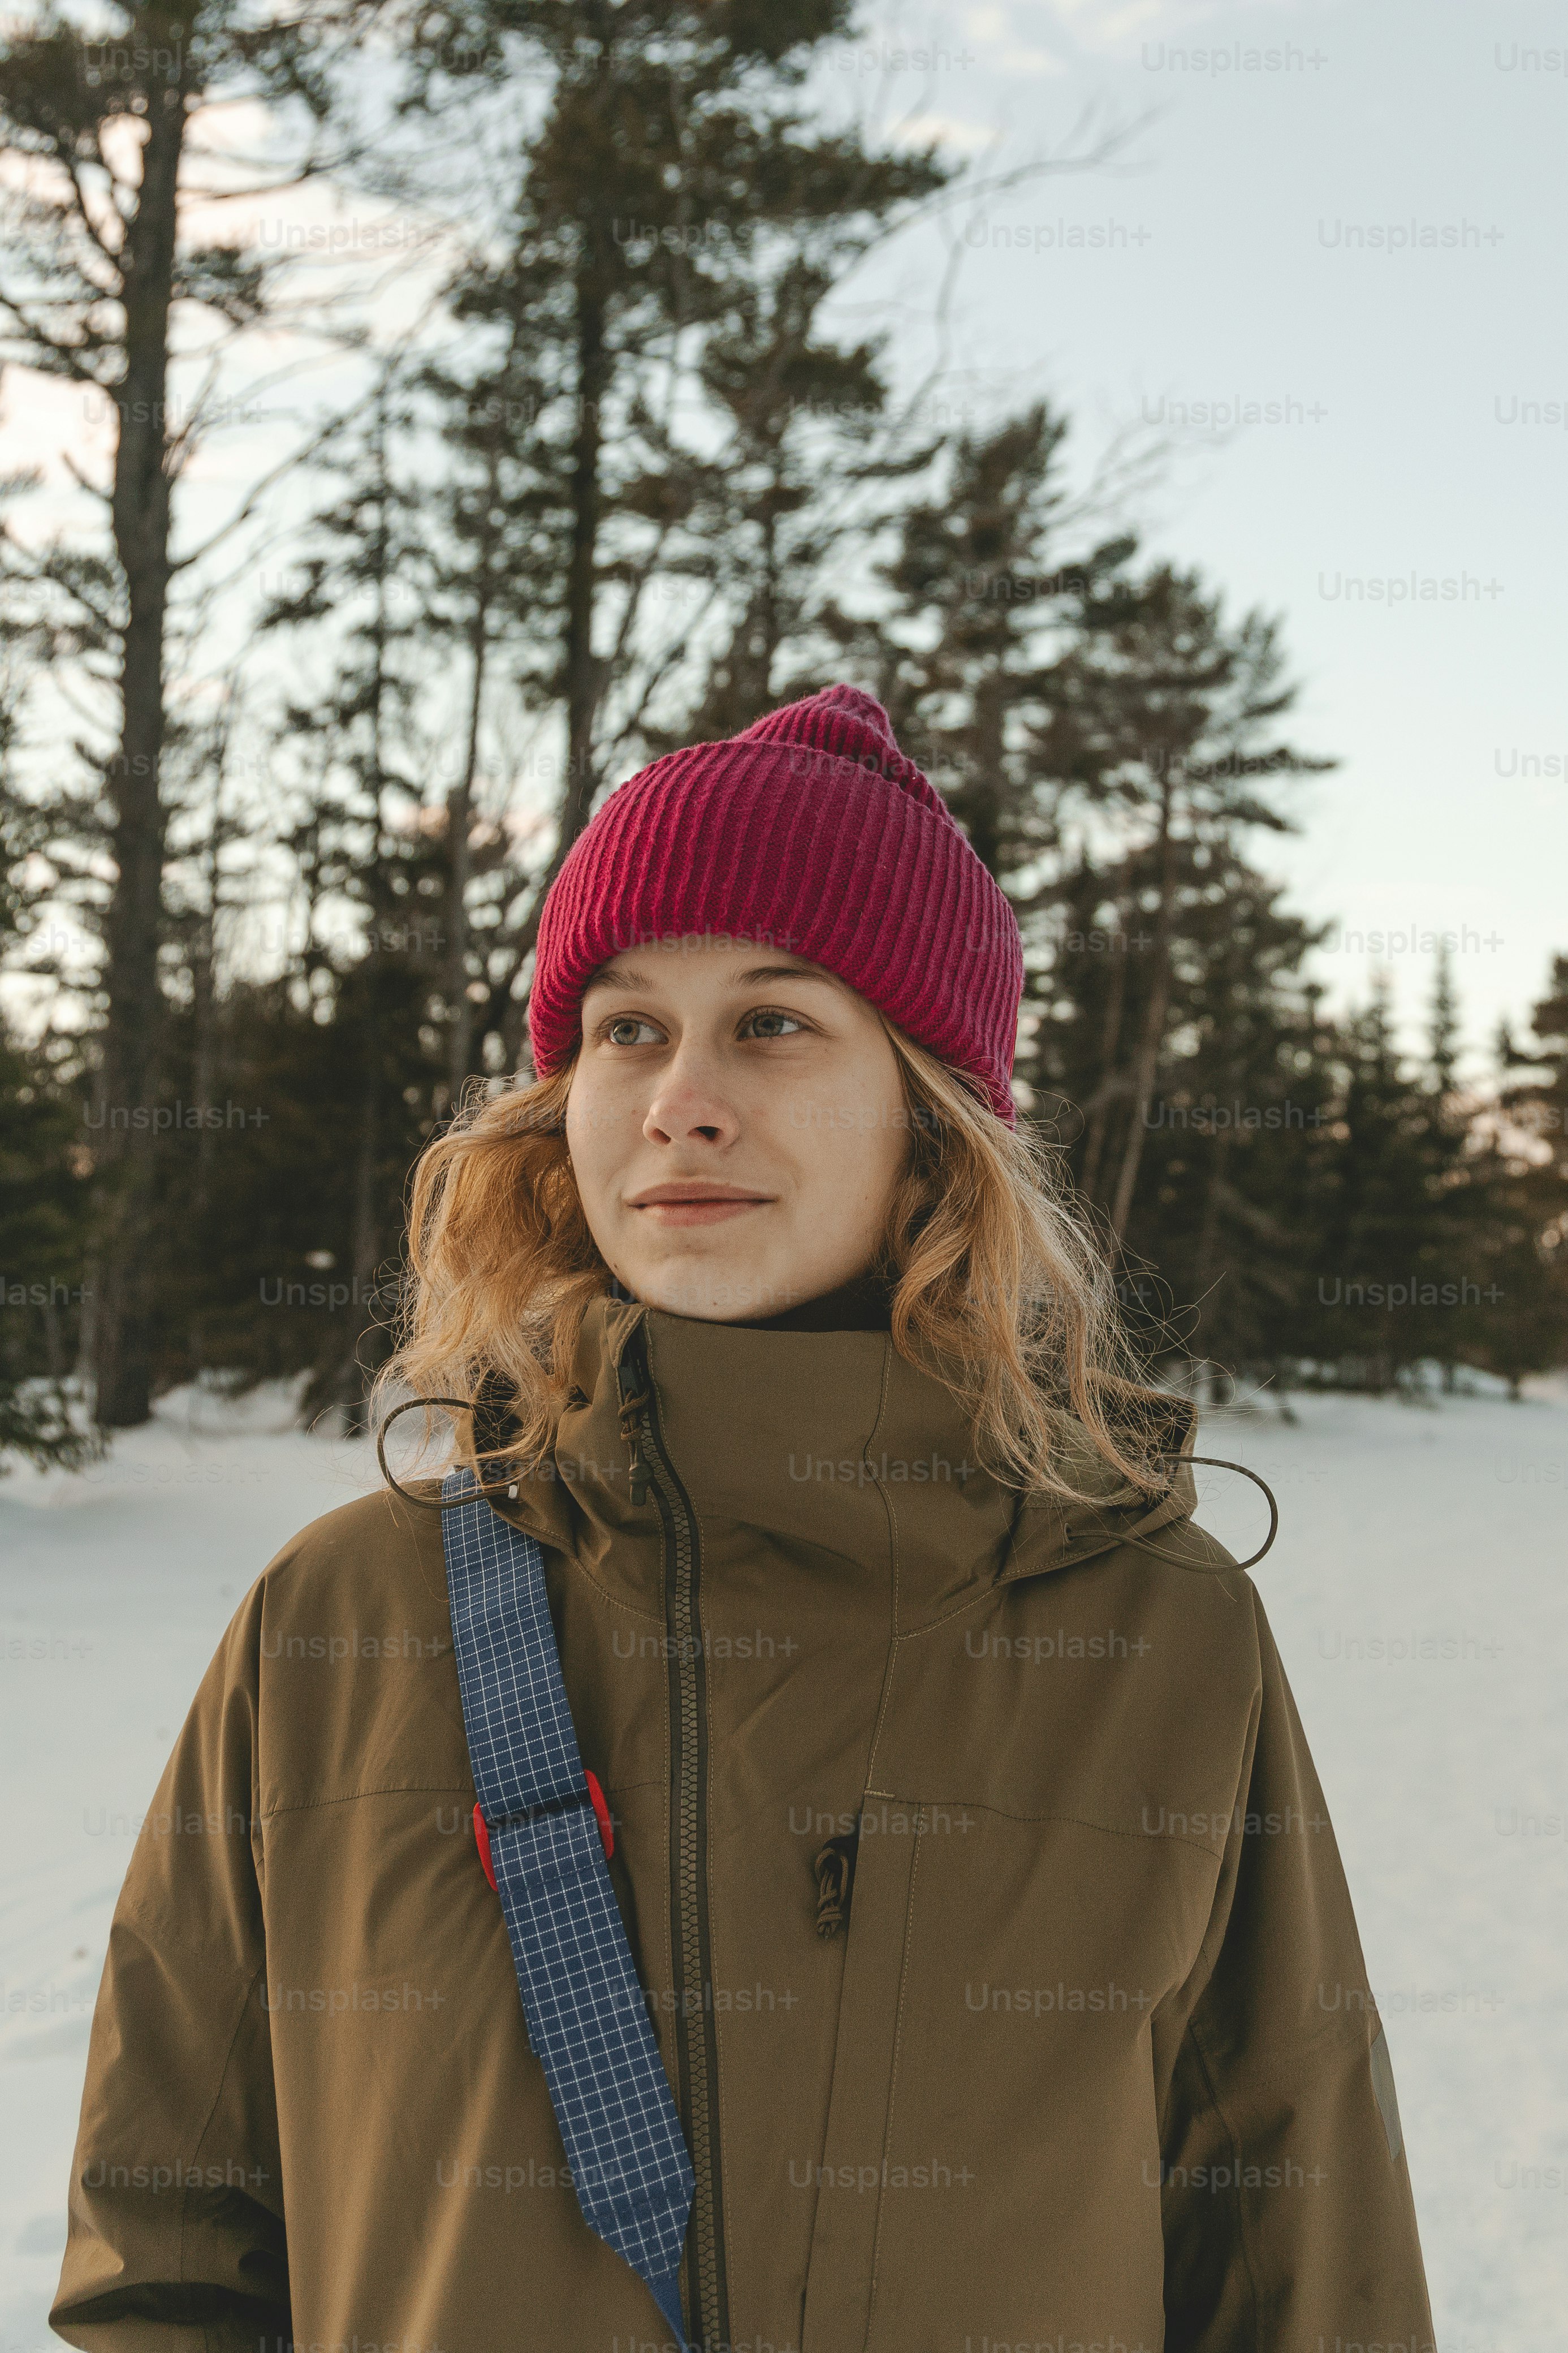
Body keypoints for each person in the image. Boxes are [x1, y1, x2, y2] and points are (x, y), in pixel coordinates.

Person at [52, 685, 1434, 2353]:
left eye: (773, 1024)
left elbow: (1303, 2261)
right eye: (628, 1028)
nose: (680, 1101)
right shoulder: (339, 1622)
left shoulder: (1154, 1634)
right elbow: (170, 2254)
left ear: (932, 1123)